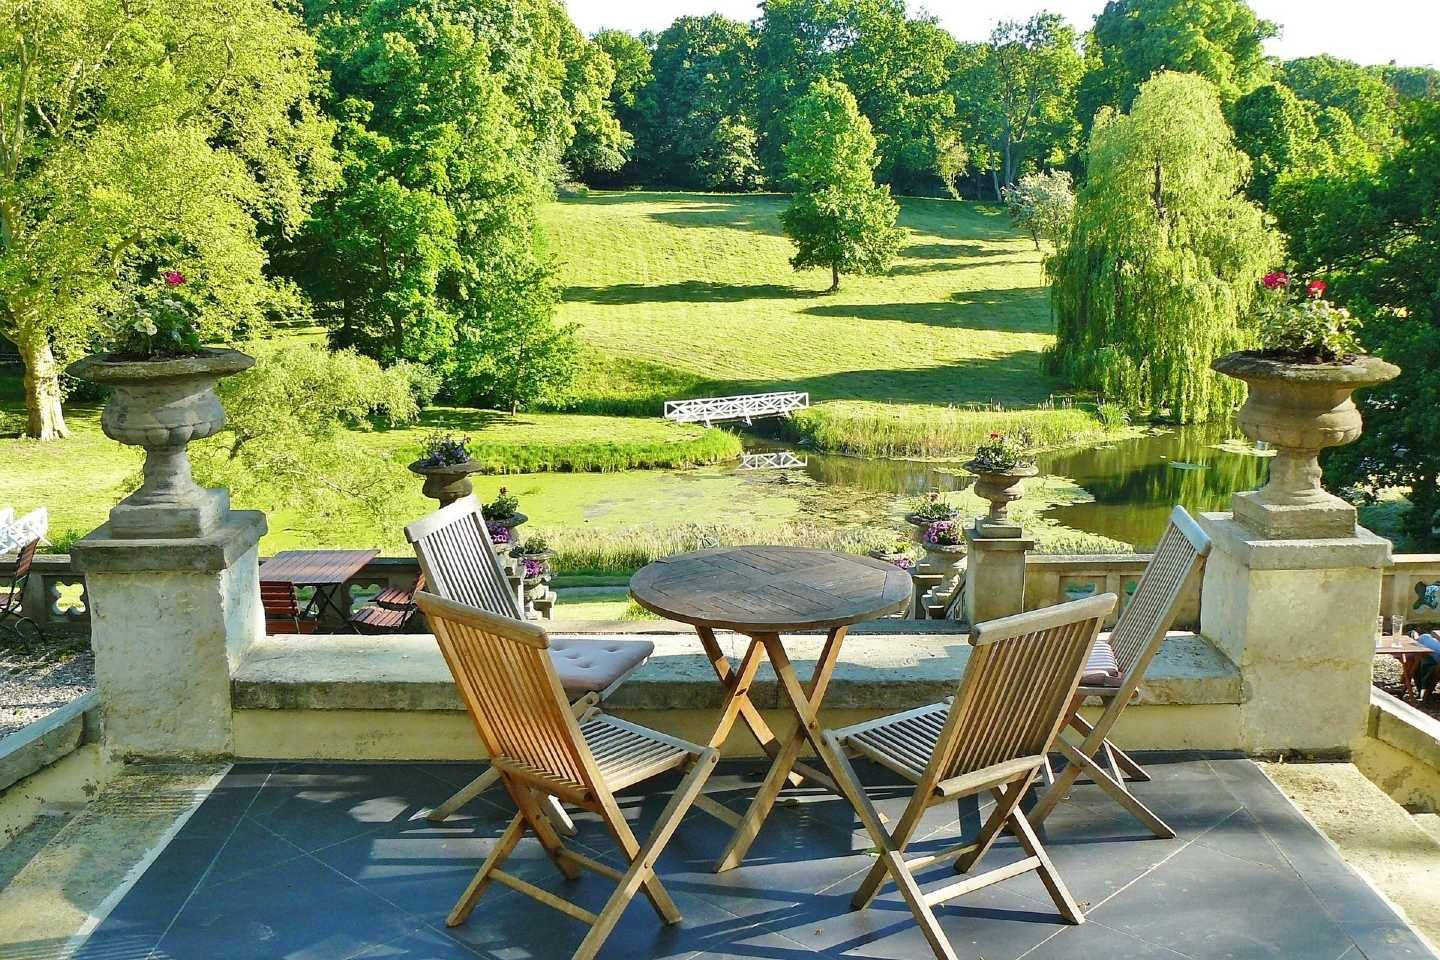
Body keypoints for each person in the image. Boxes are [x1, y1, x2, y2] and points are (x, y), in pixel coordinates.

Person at [1410, 630, 1440, 701]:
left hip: (1436, 658)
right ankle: (1424, 693)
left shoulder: (1423, 638)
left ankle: (1423, 693)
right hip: (1434, 656)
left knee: (1417, 663)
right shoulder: (1425, 637)